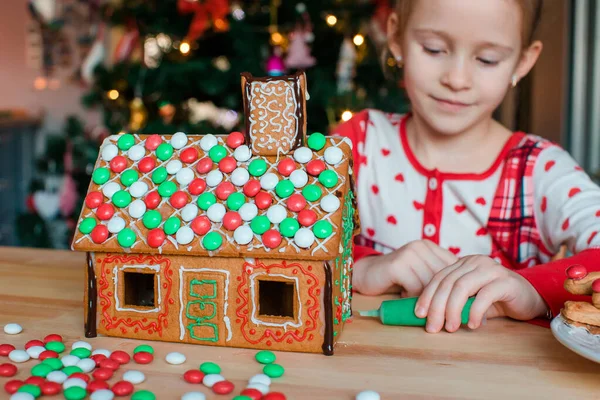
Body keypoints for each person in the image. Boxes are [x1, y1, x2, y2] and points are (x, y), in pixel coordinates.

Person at [334, 0, 600, 334]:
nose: (457, 79)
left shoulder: (540, 170)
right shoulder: (356, 144)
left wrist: (530, 291)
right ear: (396, 36)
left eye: (487, 59)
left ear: (523, 60)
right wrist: (359, 267)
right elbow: (274, 244)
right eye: (433, 49)